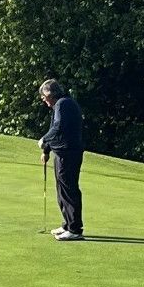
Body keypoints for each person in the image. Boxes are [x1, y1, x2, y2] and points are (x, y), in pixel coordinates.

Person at [39, 79, 84, 241]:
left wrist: (44, 139)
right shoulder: (61, 105)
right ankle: (68, 224)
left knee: (68, 189)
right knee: (62, 190)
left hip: (69, 153)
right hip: (62, 152)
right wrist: (47, 150)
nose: (45, 102)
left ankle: (75, 229)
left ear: (50, 94)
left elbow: (59, 127)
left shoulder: (64, 104)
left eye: (44, 98)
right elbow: (56, 130)